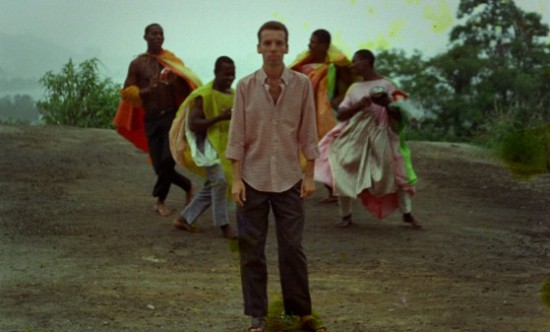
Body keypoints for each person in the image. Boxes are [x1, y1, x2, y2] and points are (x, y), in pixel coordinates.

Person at [225, 21, 327, 332]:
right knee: (252, 251)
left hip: (289, 180)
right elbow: (237, 137)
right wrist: (236, 179)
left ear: (286, 47)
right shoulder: (245, 87)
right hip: (252, 180)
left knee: (292, 249)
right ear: (258, 47)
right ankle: (257, 316)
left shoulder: (301, 86)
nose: (272, 49)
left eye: (278, 43)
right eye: (266, 43)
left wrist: (309, 175)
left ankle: (300, 313)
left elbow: (309, 133)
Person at [314, 49, 421, 228]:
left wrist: (386, 103)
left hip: (382, 134)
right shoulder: (355, 88)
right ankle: (345, 215)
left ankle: (407, 213)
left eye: (356, 61)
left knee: (397, 172)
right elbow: (341, 114)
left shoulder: (387, 85)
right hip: (356, 136)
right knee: (343, 168)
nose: (353, 65)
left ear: (366, 61)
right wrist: (359, 105)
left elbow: (401, 111)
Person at [114, 23, 202, 217]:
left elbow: (186, 88)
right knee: (158, 166)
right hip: (151, 119)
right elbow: (127, 93)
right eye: (154, 34)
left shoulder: (171, 61)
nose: (158, 37)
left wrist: (174, 84)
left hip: (171, 116)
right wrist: (148, 90)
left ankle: (160, 201)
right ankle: (187, 186)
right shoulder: (137, 64)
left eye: (161, 34)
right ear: (145, 37)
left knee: (167, 160)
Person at [169, 56, 237, 240]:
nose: (230, 78)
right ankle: (224, 225)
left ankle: (184, 218)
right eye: (226, 74)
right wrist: (219, 118)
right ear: (216, 73)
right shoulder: (203, 95)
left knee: (215, 183)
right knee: (221, 181)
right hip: (207, 147)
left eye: (232, 74)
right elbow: (194, 124)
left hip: (224, 147)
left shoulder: (233, 94)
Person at [290, 29, 353, 203]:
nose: (310, 45)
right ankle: (330, 189)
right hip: (305, 111)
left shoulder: (334, 66)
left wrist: (337, 100)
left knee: (326, 149)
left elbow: (349, 83)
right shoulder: (303, 62)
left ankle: (335, 190)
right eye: (310, 41)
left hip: (326, 114)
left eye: (314, 42)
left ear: (325, 46)